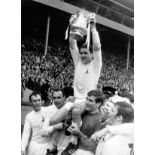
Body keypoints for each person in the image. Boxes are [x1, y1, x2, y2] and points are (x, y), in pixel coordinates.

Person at [50, 15, 102, 138]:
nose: (83, 55)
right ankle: (68, 123)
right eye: (82, 53)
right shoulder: (78, 61)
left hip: (86, 99)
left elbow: (97, 47)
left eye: (86, 53)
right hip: (74, 98)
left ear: (92, 55)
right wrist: (72, 25)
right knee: (53, 121)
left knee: (76, 111)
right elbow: (73, 44)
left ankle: (73, 139)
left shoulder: (95, 64)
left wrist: (93, 29)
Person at [61, 90, 104, 155]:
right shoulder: (82, 113)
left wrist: (79, 134)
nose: (87, 102)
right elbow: (67, 132)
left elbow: (94, 147)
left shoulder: (99, 121)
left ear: (98, 104)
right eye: (86, 99)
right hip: (71, 150)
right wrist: (70, 114)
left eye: (90, 100)